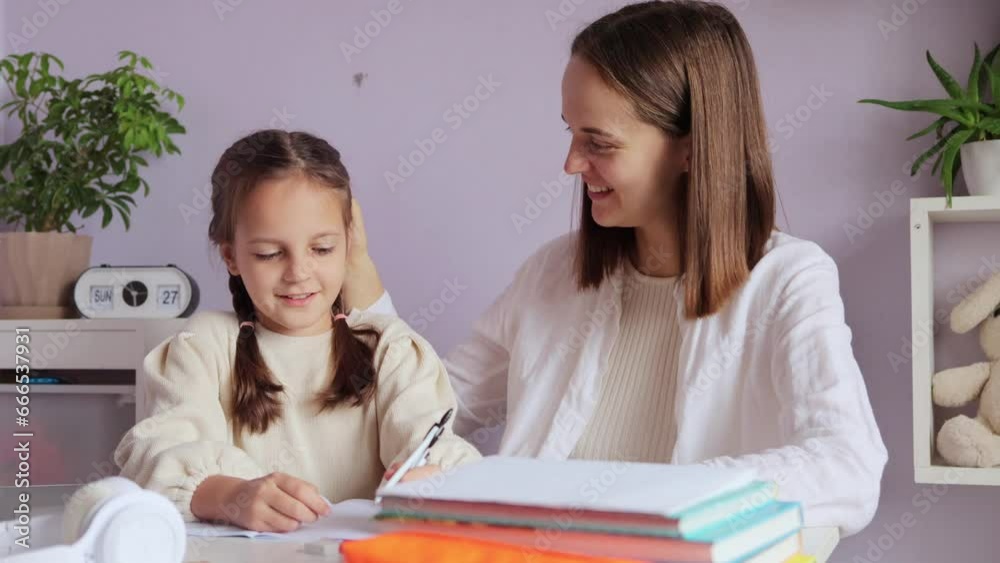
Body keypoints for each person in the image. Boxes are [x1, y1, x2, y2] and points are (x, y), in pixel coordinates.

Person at [345, 1, 887, 537]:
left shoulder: (787, 279)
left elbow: (848, 465)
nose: (572, 163)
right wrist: (359, 281)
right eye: (571, 133)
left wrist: (655, 498)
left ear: (692, 149)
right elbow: (431, 409)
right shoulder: (552, 274)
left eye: (599, 143)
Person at [114, 130, 480, 532]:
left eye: (321, 249)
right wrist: (230, 495)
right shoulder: (205, 347)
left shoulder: (389, 350)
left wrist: (433, 481)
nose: (298, 273)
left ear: (349, 242)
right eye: (270, 254)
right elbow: (159, 456)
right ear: (231, 255)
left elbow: (433, 444)